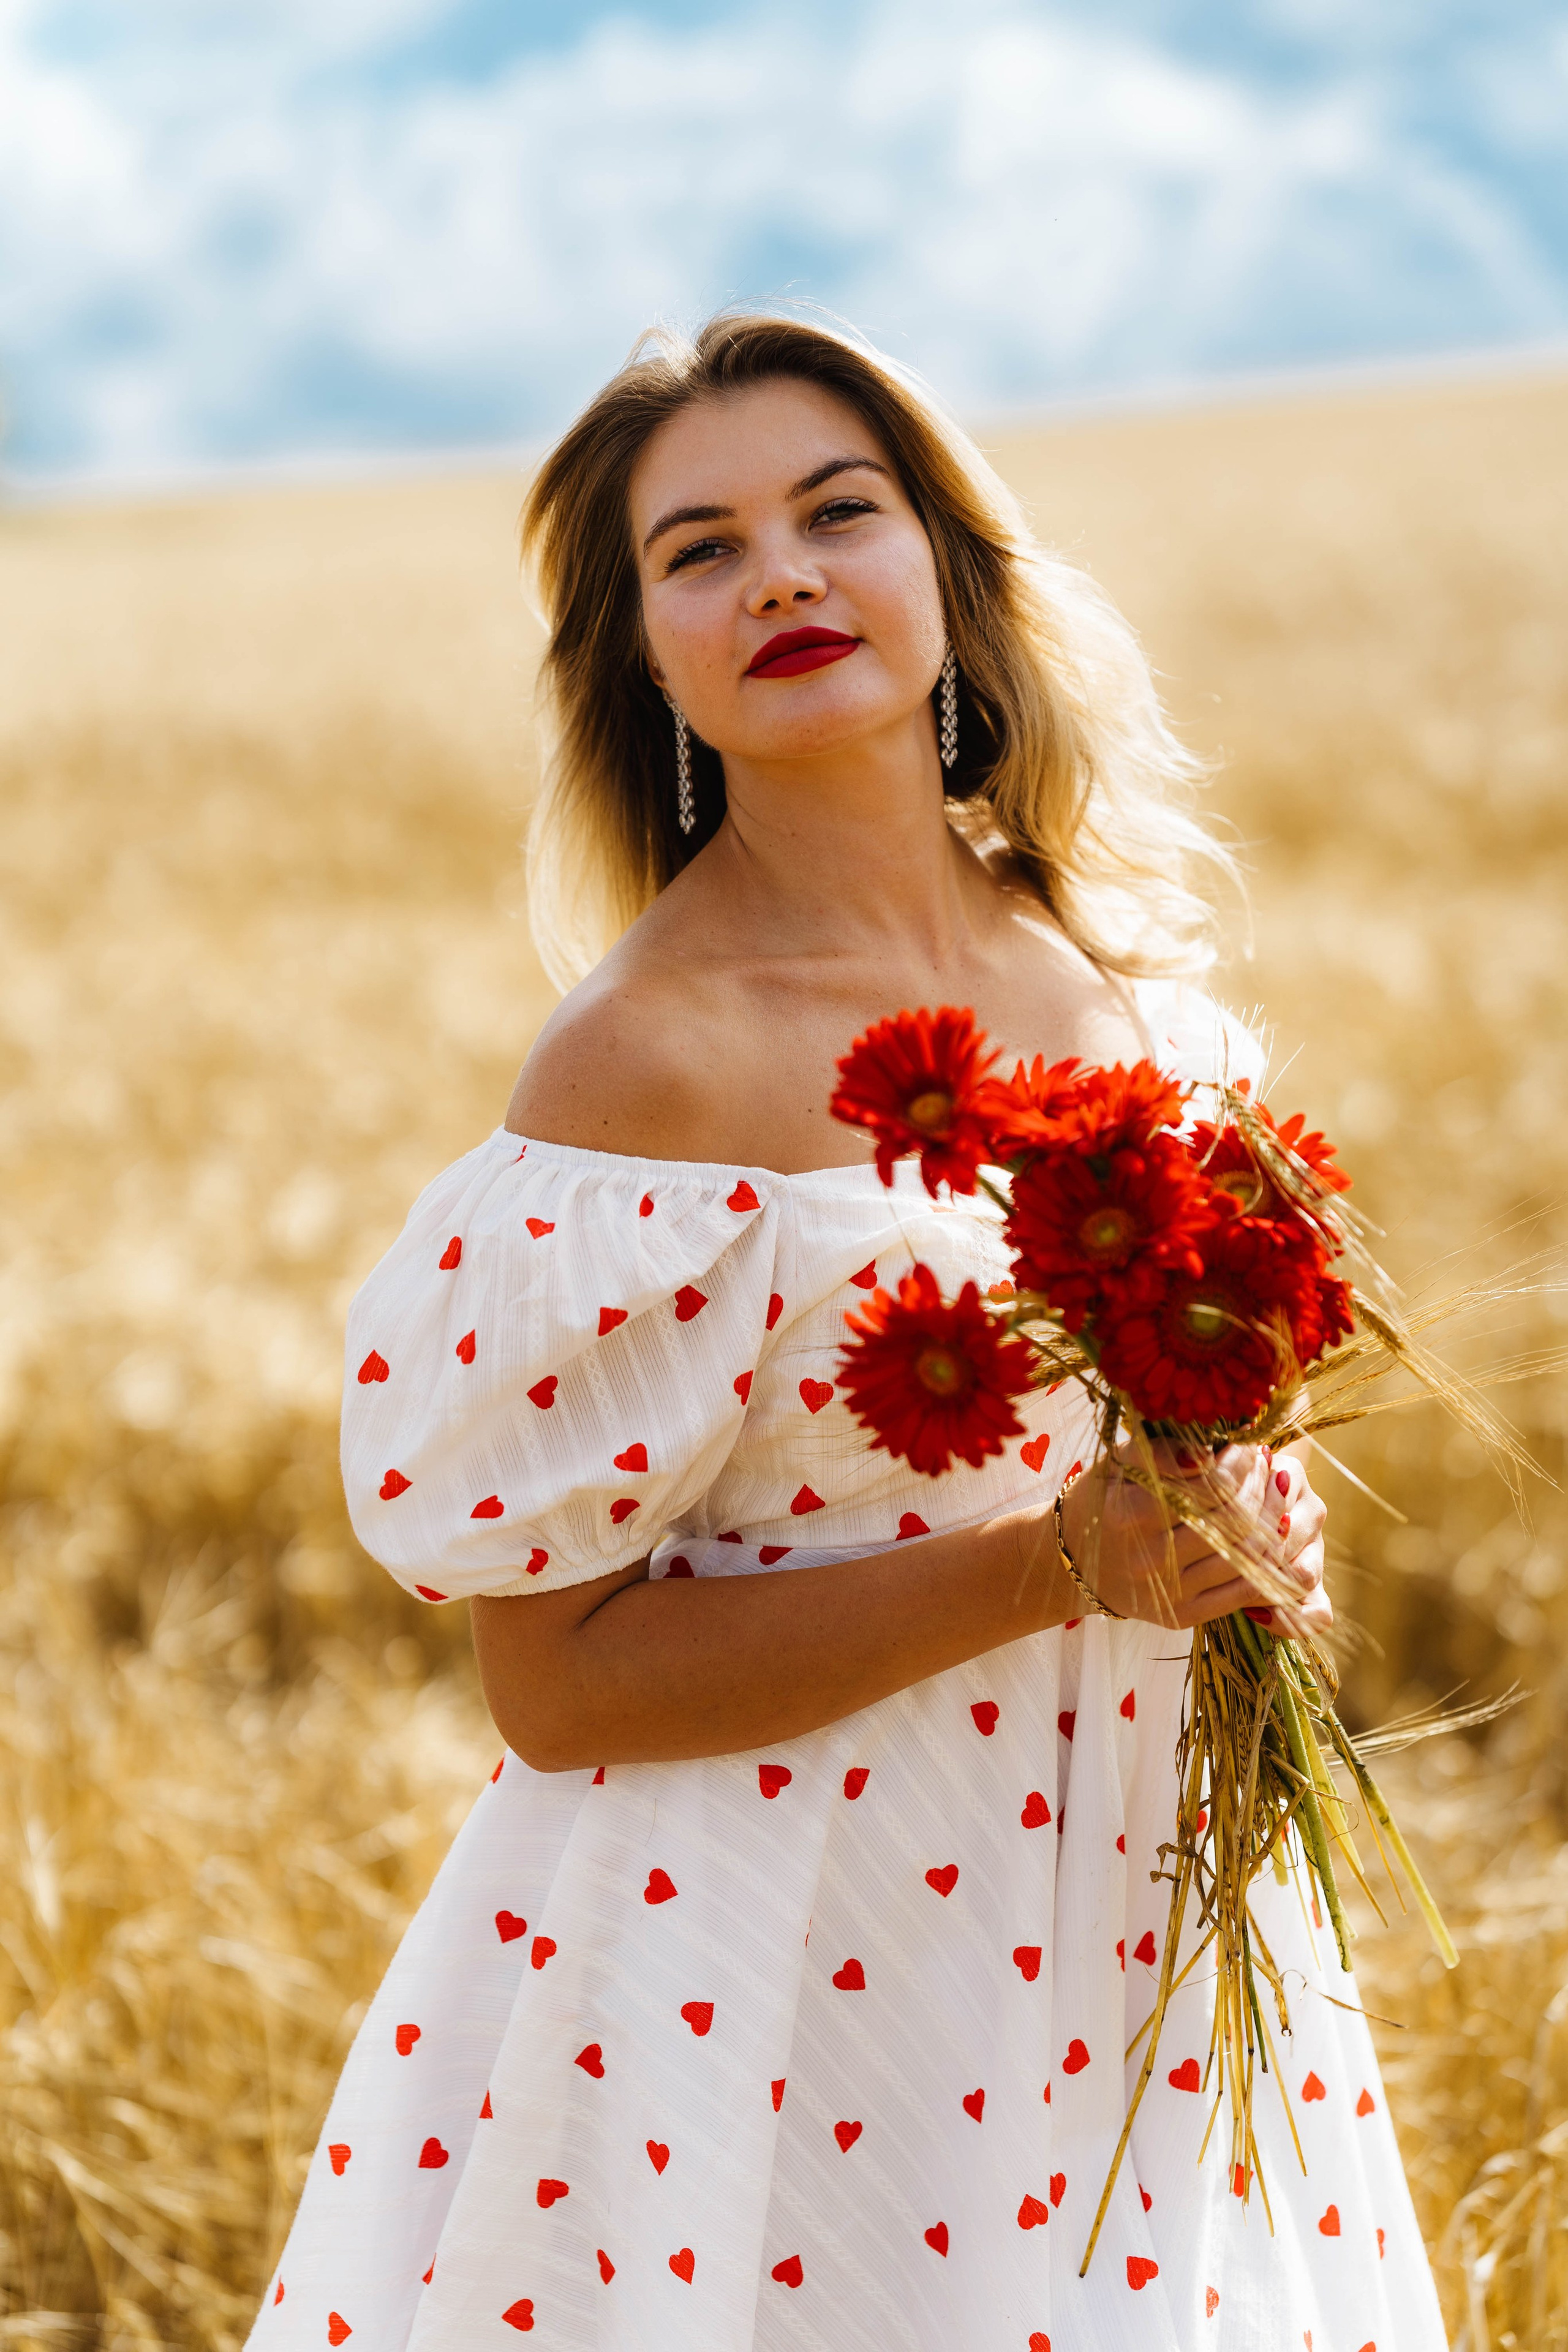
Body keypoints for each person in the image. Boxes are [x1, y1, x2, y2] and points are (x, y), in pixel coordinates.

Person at [247, 312, 1445, 2351]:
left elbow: (1198, 1444)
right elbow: (555, 1688)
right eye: (700, 549)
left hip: (1134, 1913)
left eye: (839, 510)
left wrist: (1253, 1536)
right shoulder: (648, 1066)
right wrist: (1055, 1569)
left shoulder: (1115, 973)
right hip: (786, 1958)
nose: (783, 573)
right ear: (646, 657)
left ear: (951, 579)